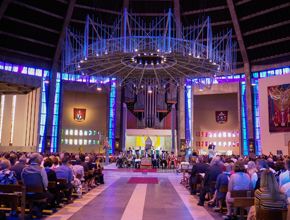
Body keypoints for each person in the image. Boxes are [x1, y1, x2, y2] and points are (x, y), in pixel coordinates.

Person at [21, 153, 53, 218]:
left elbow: (23, 181)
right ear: (38, 160)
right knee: (50, 196)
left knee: (37, 196)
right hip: (38, 193)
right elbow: (45, 183)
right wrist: (43, 188)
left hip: (26, 194)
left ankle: (35, 210)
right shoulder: (41, 169)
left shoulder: (25, 169)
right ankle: (38, 208)